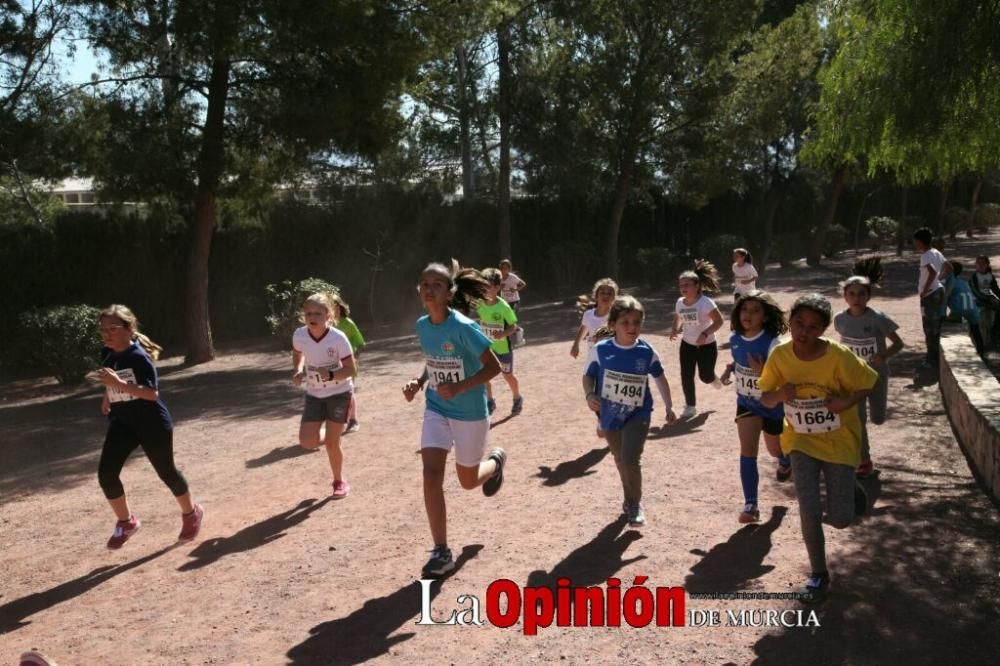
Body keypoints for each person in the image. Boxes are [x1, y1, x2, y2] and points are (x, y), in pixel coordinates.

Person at [759, 293, 878, 603]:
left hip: (838, 440)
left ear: (823, 329)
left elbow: (869, 381)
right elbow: (765, 397)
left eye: (813, 327)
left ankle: (849, 486)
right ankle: (818, 573)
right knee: (809, 509)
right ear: (789, 321)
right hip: (800, 440)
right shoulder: (781, 356)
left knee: (840, 518)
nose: (804, 331)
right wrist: (780, 395)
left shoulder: (838, 356)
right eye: (798, 323)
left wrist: (844, 401)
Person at [402, 261, 506, 578]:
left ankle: (496, 464)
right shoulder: (422, 325)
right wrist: (420, 383)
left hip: (470, 412)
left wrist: (461, 386)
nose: (429, 289)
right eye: (424, 284)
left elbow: (494, 368)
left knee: (468, 481)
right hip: (437, 407)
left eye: (436, 284)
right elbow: (435, 361)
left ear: (449, 293)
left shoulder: (463, 327)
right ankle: (441, 551)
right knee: (431, 475)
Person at [94, 305, 203, 549]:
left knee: (166, 472)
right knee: (106, 474)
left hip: (151, 423)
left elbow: (151, 394)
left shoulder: (139, 357)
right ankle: (126, 521)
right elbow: (112, 378)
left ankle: (191, 514)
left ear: (128, 328)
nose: (106, 334)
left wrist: (118, 384)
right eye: (102, 330)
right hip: (123, 423)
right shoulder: (108, 353)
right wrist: (107, 394)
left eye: (112, 328)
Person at [584, 296, 677, 527]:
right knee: (619, 459)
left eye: (636, 322)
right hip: (609, 414)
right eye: (625, 322)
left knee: (630, 459)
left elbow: (660, 377)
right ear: (613, 323)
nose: (631, 327)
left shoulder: (646, 351)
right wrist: (589, 395)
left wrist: (669, 406)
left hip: (639, 413)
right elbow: (588, 376)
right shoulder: (601, 350)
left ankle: (634, 504)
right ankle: (629, 498)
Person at [718, 290, 792, 523]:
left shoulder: (774, 343)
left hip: (772, 406)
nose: (747, 314)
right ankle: (751, 505)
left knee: (774, 449)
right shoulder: (735, 338)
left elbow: (784, 379)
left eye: (755, 310)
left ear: (766, 316)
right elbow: (741, 360)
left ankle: (784, 460)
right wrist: (731, 368)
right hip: (747, 403)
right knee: (748, 450)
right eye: (744, 309)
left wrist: (762, 372)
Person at [833, 258, 905, 478]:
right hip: (854, 378)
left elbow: (899, 344)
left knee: (878, 418)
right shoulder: (839, 320)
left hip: (877, 376)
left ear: (868, 296)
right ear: (845, 296)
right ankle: (864, 460)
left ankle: (867, 450)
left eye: (861, 294)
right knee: (858, 418)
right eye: (851, 294)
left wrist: (884, 355)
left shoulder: (878, 319)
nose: (856, 298)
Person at [292, 292, 356, 498]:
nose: (313, 317)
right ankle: (329, 435)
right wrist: (298, 370)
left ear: (328, 315)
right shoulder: (300, 335)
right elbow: (297, 353)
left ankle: (339, 481)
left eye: (318, 313)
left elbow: (350, 370)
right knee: (307, 442)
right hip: (314, 394)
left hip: (339, 393)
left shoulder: (338, 338)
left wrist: (329, 374)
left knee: (332, 444)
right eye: (308, 313)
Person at [670, 259, 725, 419]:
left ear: (697, 285)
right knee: (686, 375)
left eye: (687, 285)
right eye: (681, 285)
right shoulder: (680, 302)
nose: (683, 288)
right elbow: (678, 316)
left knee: (705, 376)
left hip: (706, 345)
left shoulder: (705, 303)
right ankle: (690, 406)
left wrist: (705, 334)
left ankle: (712, 377)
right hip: (687, 344)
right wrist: (674, 329)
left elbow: (719, 321)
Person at [478, 268, 524, 416]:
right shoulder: (479, 304)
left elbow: (514, 326)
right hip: (486, 347)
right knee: (485, 375)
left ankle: (517, 397)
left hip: (503, 348)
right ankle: (490, 401)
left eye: (488, 286)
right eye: (483, 286)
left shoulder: (503, 306)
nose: (485, 290)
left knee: (507, 375)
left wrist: (503, 333)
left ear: (498, 288)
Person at [912, 227, 952, 367]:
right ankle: (934, 357)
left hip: (930, 295)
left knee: (929, 327)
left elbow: (932, 272)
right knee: (935, 325)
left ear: (920, 242)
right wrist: (938, 281)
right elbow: (949, 268)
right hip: (939, 291)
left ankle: (931, 359)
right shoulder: (937, 252)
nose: (914, 244)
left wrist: (925, 289)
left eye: (915, 241)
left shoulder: (926, 255)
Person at [333, 295, 366, 434]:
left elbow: (360, 343)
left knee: (348, 391)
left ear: (340, 307)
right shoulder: (326, 326)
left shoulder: (348, 323)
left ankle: (353, 420)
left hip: (348, 365)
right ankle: (337, 421)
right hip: (332, 366)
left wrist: (355, 359)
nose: (334, 311)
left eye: (335, 307)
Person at [941, 261, 985, 355]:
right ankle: (982, 351)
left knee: (949, 300)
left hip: (958, 309)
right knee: (976, 330)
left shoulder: (950, 279)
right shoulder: (963, 282)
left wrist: (942, 313)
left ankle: (955, 316)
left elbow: (946, 296)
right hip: (973, 310)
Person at [570, 278, 619, 358]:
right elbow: (584, 328)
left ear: (614, 297)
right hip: (593, 356)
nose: (606, 295)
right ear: (596, 296)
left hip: (611, 357)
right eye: (602, 293)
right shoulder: (588, 314)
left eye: (609, 293)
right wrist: (576, 345)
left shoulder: (617, 315)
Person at [969, 255, 1000, 348]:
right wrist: (988, 299)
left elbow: (995, 289)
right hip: (977, 300)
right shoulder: (974, 277)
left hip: (988, 298)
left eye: (983, 263)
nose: (980, 265)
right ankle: (994, 334)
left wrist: (996, 297)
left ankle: (995, 332)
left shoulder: (990, 275)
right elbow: (975, 292)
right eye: (978, 263)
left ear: (987, 264)